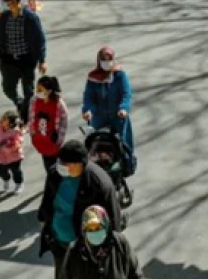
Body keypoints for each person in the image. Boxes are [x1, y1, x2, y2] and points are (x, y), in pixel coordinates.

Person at [38, 140, 121, 279]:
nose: (61, 166)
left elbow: (112, 218)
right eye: (60, 162)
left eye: (66, 164)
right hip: (59, 242)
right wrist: (43, 219)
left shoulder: (99, 184)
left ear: (79, 163)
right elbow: (48, 199)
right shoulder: (55, 174)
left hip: (84, 248)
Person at [0, 0, 48, 122]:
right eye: (6, 3)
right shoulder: (5, 17)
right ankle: (19, 103)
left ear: (16, 1)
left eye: (10, 2)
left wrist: (42, 60)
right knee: (8, 88)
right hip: (9, 61)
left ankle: (26, 116)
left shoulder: (30, 18)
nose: (8, 5)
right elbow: (0, 37)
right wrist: (1, 55)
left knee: (28, 92)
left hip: (26, 60)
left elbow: (40, 40)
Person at [82, 47, 135, 168]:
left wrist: (123, 108)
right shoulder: (93, 78)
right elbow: (89, 97)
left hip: (117, 115)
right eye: (103, 60)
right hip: (99, 115)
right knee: (93, 142)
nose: (106, 63)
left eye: (109, 60)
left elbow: (126, 94)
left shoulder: (120, 75)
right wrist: (88, 110)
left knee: (123, 143)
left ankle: (126, 165)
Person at [61, 206, 143, 279]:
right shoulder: (75, 251)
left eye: (98, 228)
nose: (94, 233)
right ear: (84, 231)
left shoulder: (119, 243)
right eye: (90, 229)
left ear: (106, 227)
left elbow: (136, 273)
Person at [31, 75, 69, 172]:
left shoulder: (59, 104)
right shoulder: (34, 101)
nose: (37, 92)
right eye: (37, 89)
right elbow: (31, 117)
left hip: (53, 141)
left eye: (40, 89)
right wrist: (32, 134)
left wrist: (59, 140)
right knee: (47, 164)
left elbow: (64, 123)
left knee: (55, 166)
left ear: (49, 90)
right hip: (40, 139)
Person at [0, 110, 26, 195]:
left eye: (5, 119)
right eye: (3, 118)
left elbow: (18, 141)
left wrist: (7, 144)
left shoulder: (15, 131)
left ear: (11, 123)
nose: (2, 120)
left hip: (14, 156)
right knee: (0, 172)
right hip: (1, 157)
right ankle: (6, 179)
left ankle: (19, 184)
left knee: (16, 171)